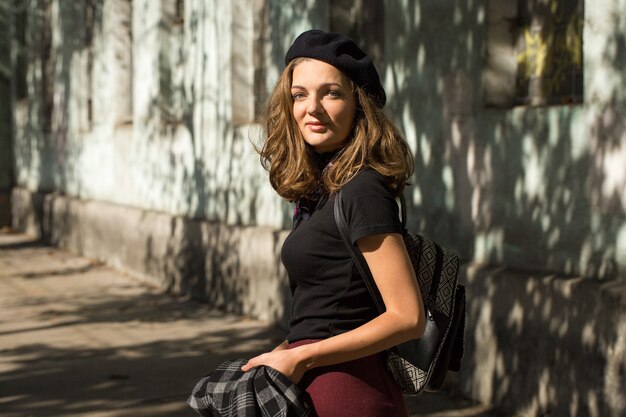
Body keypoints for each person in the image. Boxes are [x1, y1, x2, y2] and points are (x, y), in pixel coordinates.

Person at [243, 29, 426, 417]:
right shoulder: (322, 190)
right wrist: (280, 354)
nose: (313, 108)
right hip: (317, 387)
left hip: (349, 395)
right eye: (299, 94)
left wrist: (302, 356)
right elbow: (324, 312)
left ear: (359, 104)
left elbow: (408, 316)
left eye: (331, 93)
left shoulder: (363, 191)